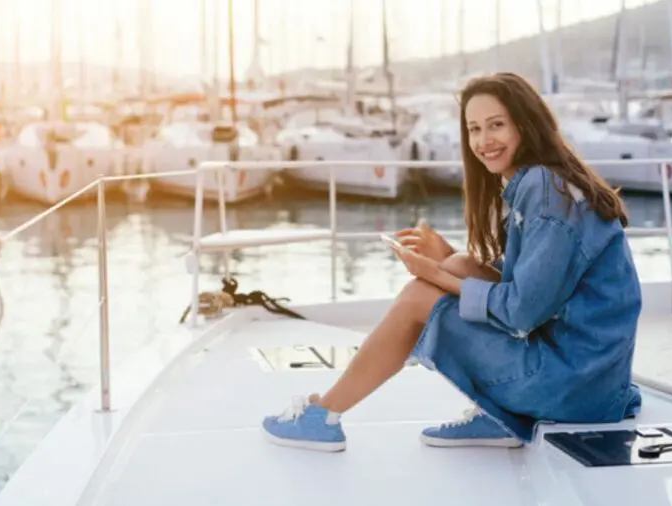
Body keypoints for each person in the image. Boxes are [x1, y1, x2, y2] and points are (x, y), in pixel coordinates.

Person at [261, 72, 643, 452]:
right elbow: (536, 283)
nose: (483, 141)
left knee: (417, 297)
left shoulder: (546, 193)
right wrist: (445, 258)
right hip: (592, 379)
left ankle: (324, 414)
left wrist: (434, 275)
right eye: (474, 129)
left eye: (496, 125)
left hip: (573, 388)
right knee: (459, 265)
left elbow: (523, 313)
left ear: (525, 125)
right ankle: (501, 412)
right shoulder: (546, 182)